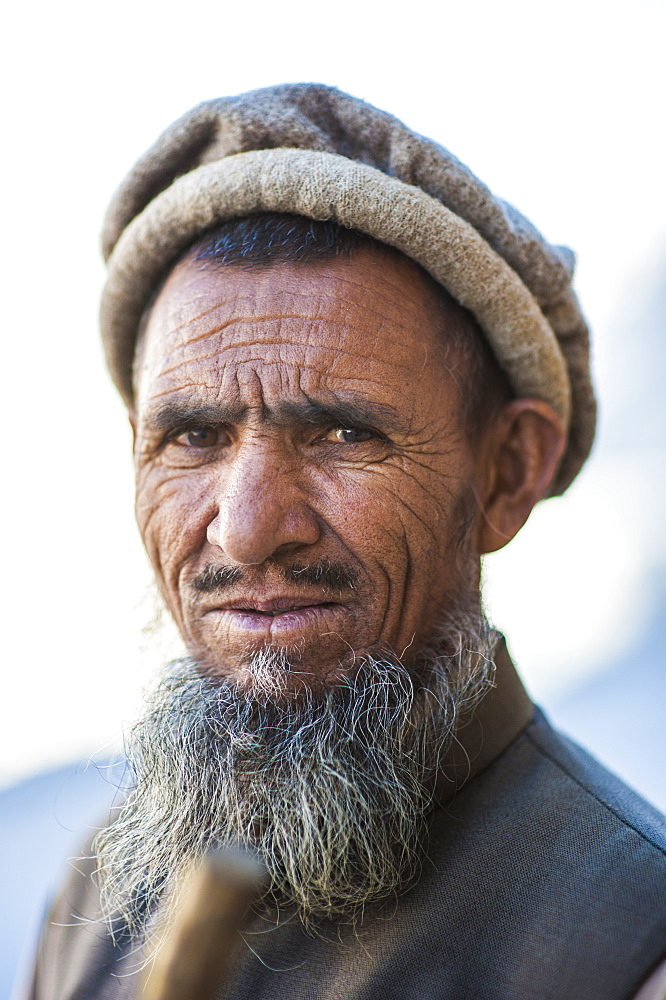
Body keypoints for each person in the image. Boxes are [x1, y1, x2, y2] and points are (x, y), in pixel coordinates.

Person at [25, 84, 666, 1000]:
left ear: (510, 471)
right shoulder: (106, 893)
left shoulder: (629, 945)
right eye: (192, 437)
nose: (247, 529)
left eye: (342, 433)